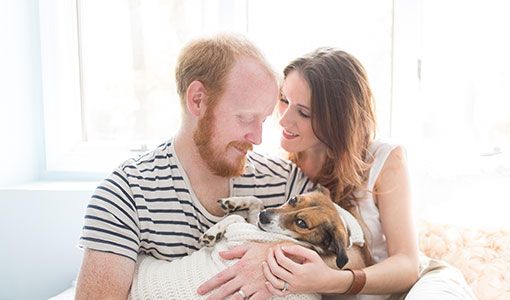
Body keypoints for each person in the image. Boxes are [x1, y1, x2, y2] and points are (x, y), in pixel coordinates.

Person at [199, 48, 476, 299]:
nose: (283, 120)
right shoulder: (282, 166)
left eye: (304, 113)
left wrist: (334, 280)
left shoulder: (383, 158)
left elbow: (407, 265)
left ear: (338, 121)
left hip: (416, 286)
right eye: (283, 100)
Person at [75, 34, 315, 299]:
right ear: (198, 100)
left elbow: (351, 253)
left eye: (263, 121)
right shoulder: (127, 195)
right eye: (246, 118)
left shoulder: (282, 182)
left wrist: (274, 256)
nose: (257, 138)